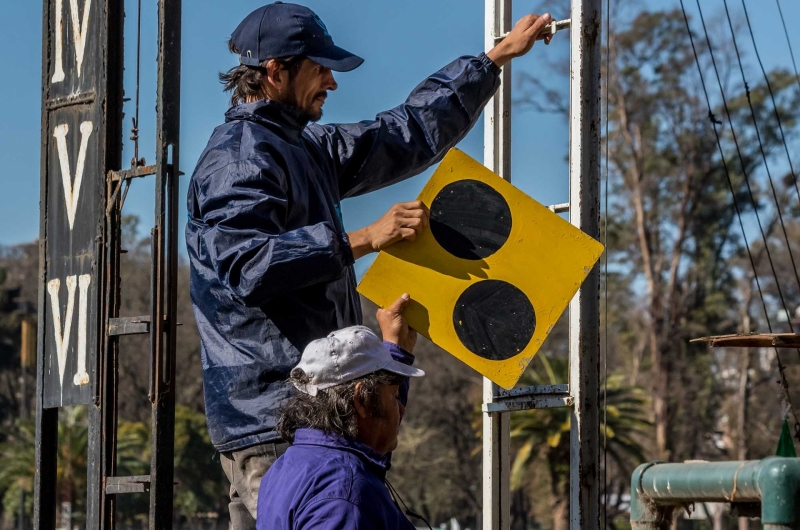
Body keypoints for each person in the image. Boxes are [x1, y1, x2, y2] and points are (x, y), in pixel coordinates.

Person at [185, 2, 554, 528]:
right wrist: (364, 238)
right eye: (320, 68)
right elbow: (248, 265)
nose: (332, 82)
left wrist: (492, 60)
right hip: (274, 422)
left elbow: (404, 132)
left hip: (311, 419)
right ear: (274, 73)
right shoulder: (240, 157)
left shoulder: (305, 147)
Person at [257, 299, 424, 530]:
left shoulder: (288, 466)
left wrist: (398, 350)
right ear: (362, 401)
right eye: (395, 397)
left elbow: (375, 434)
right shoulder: (343, 492)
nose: (401, 409)